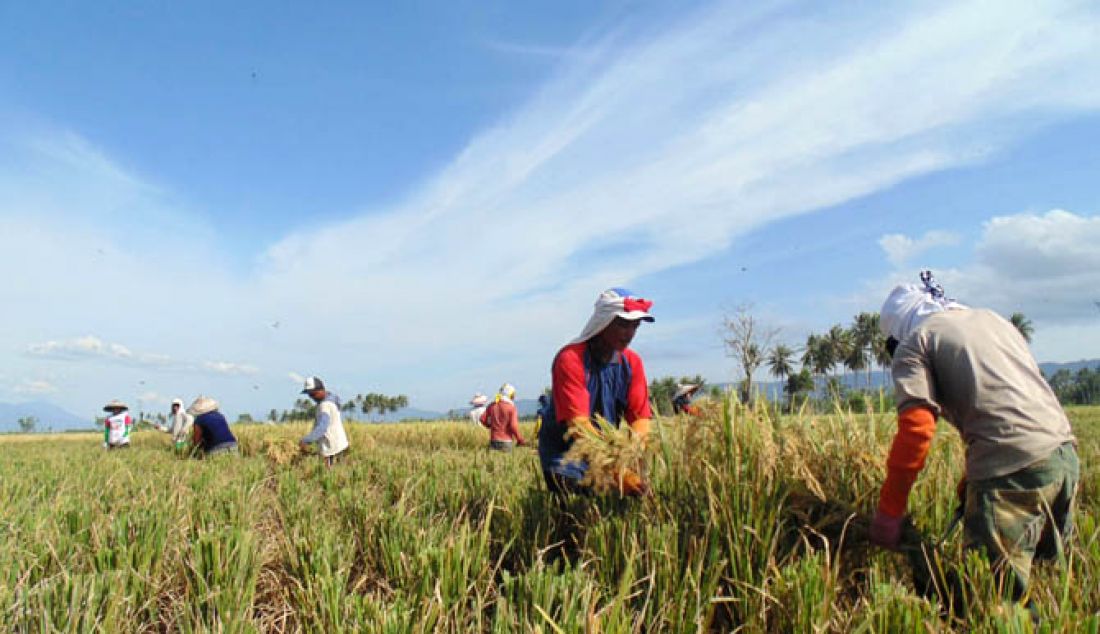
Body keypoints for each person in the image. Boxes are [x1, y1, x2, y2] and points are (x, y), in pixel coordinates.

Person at [869, 271, 1078, 604]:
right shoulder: (993, 321)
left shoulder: (916, 342)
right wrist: (972, 477)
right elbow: (1008, 405)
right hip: (1063, 457)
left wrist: (890, 513)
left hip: (1012, 472)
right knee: (1048, 584)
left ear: (898, 331)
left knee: (996, 604)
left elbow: (917, 429)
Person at [538, 288, 654, 496]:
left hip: (606, 454)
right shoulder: (571, 359)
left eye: (634, 326)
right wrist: (619, 473)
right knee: (575, 511)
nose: (630, 333)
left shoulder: (632, 363)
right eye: (623, 324)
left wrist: (630, 455)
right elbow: (578, 427)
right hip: (565, 457)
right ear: (604, 321)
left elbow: (641, 420)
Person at [299, 376, 349, 467]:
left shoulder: (325, 406)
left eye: (313, 394)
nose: (311, 397)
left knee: (331, 474)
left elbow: (322, 428)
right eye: (309, 395)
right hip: (340, 444)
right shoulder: (331, 399)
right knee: (339, 473)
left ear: (321, 390)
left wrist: (306, 440)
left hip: (332, 448)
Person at [480, 383, 525, 451]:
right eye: (513, 395)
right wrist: (520, 439)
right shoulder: (511, 408)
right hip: (506, 442)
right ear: (509, 395)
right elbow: (513, 426)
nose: (514, 397)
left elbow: (482, 419)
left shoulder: (492, 405)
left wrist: (491, 426)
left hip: (493, 440)